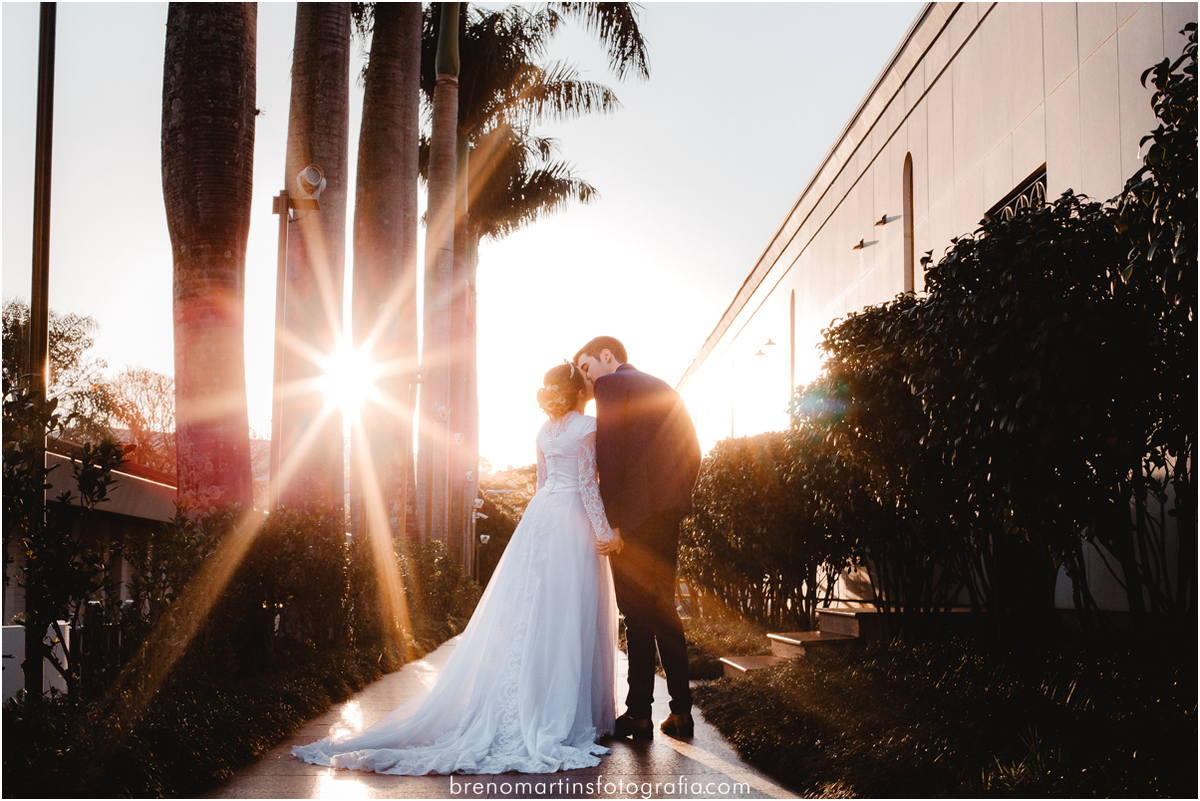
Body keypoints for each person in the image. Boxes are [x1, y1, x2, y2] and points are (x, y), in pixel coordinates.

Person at [292, 363, 619, 775]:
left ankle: (530, 701)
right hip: (571, 518)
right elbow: (588, 483)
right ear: (577, 392)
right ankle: (559, 711)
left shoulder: (542, 432)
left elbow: (542, 483)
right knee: (567, 610)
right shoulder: (586, 425)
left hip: (541, 518)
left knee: (533, 611)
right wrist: (606, 532)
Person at [574, 336, 702, 740]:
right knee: (663, 610)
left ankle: (639, 715)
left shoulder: (612, 386)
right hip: (667, 515)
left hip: (632, 522)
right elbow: (694, 452)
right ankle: (681, 713)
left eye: (586, 368)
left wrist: (616, 525)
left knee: (636, 615)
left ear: (607, 357)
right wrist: (672, 501)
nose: (587, 382)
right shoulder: (662, 386)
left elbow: (611, 459)